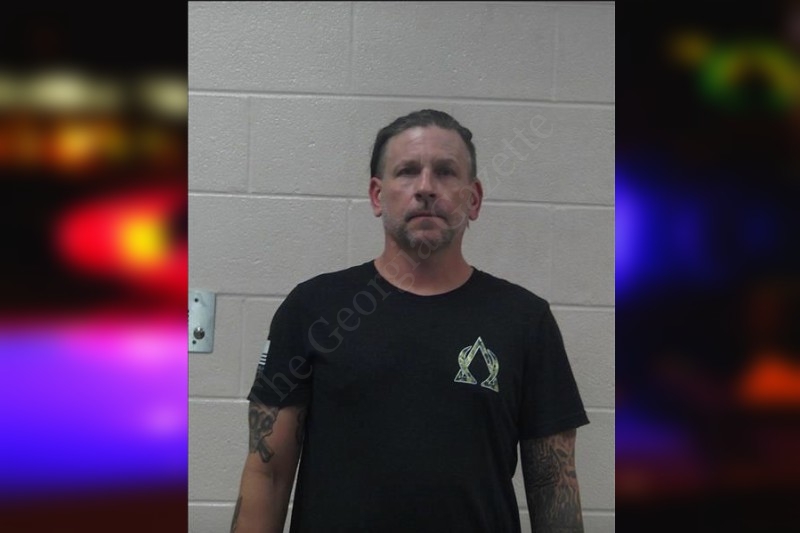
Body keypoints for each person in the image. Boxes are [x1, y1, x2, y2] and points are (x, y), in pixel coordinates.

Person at [231, 109, 590, 533]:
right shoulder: (312, 309)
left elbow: (553, 487)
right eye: (407, 172)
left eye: (445, 172)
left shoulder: (525, 320)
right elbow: (267, 475)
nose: (426, 188)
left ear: (473, 199)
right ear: (377, 196)